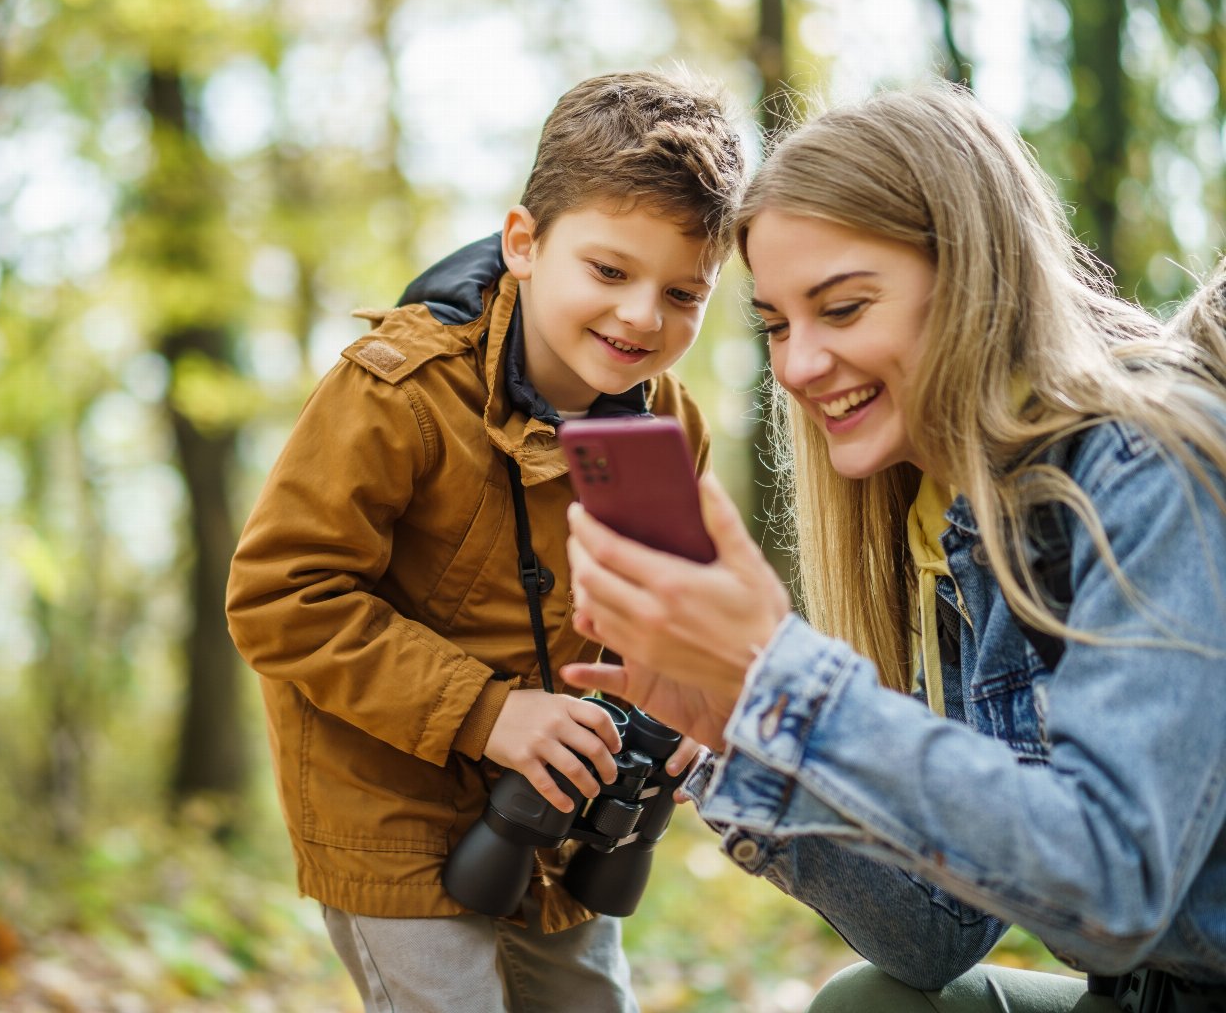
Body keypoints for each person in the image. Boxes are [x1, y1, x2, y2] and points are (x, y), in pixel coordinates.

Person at [560, 83, 1226, 1013]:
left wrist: (786, 678)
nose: (796, 366)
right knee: (865, 1003)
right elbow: (933, 936)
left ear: (973, 278)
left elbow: (1117, 886)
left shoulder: (1144, 465)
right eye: (779, 324)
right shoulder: (949, 517)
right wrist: (736, 734)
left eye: (842, 309)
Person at [225, 69, 744, 1013]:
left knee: (590, 999)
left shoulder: (664, 424)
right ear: (524, 244)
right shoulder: (398, 393)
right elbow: (278, 598)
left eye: (683, 293)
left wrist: (678, 701)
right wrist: (490, 713)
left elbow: (659, 608)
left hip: (558, 804)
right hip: (390, 798)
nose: (642, 316)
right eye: (609, 271)